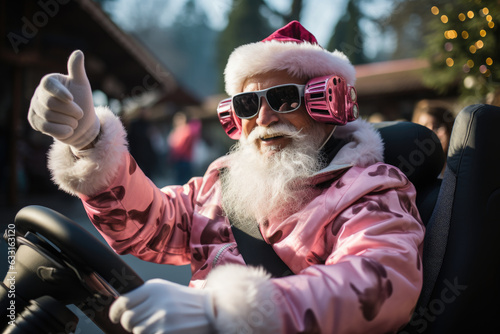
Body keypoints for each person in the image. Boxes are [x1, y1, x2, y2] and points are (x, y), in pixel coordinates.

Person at [28, 21, 424, 334]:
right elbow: (151, 228)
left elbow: (379, 280)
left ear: (327, 104)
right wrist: (89, 141)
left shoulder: (371, 188)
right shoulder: (224, 181)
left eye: (284, 98)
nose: (264, 118)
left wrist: (232, 312)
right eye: (248, 103)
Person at [412, 99, 455, 176]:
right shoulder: (412, 173)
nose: (431, 134)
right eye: (424, 128)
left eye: (437, 126)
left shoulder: (462, 168)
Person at [167, 111, 201, 184]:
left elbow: (180, 147)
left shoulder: (187, 130)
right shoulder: (177, 131)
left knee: (184, 182)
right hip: (178, 160)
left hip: (184, 160)